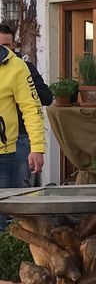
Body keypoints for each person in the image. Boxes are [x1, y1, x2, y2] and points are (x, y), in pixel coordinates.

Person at [0, 24, 49, 194]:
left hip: (7, 149)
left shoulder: (18, 67)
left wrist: (37, 147)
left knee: (10, 205)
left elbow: (33, 106)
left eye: (5, 44)